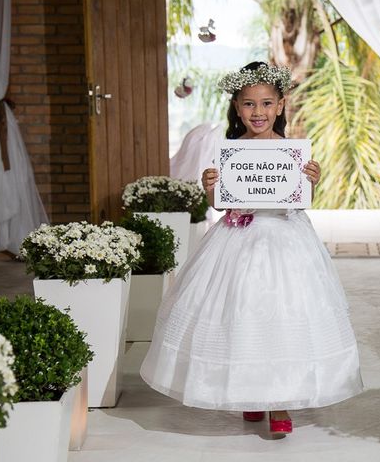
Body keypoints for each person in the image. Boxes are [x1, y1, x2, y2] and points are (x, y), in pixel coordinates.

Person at [140, 61, 363, 438]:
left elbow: (298, 200)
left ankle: (280, 402)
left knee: (281, 319)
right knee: (241, 317)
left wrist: (312, 180)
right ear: (236, 108)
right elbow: (220, 203)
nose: (257, 112)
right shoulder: (231, 151)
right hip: (237, 242)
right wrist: (210, 185)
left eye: (265, 104)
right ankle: (251, 394)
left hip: (285, 241)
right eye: (248, 104)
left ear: (279, 107)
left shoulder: (292, 152)